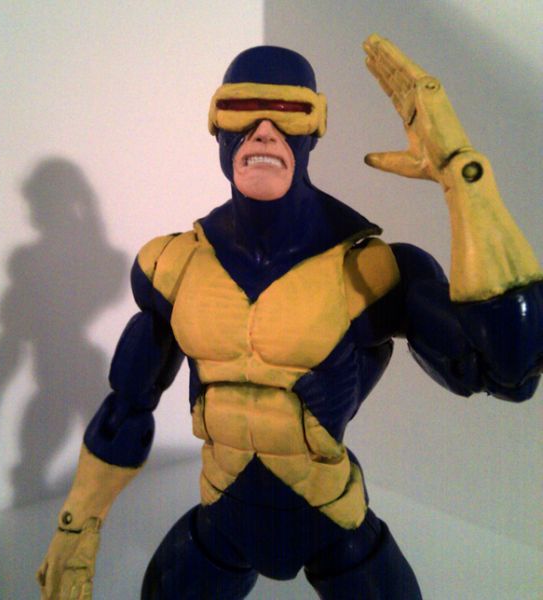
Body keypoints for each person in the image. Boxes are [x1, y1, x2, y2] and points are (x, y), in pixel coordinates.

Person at [37, 35, 543, 599]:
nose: (263, 133)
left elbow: (508, 371)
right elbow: (125, 410)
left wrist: (465, 179)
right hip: (221, 520)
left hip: (331, 521)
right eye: (242, 111)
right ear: (216, 123)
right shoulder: (173, 267)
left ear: (316, 126)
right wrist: (77, 527)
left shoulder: (370, 271)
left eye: (288, 113)